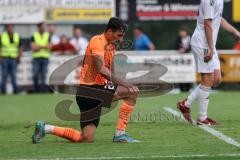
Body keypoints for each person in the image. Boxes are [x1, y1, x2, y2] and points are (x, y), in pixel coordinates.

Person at [32, 17, 140, 143]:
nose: (121, 39)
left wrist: (117, 84)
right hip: (90, 91)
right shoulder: (97, 41)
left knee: (86, 138)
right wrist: (126, 85)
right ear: (110, 31)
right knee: (131, 92)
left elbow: (110, 70)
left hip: (92, 93)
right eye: (119, 35)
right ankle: (120, 134)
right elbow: (101, 69)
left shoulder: (111, 47)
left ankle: (46, 128)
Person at [178, 0, 240, 125]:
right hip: (203, 43)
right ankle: (202, 118)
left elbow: (219, 18)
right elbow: (207, 23)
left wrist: (235, 31)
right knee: (207, 81)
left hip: (210, 44)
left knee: (216, 80)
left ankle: (186, 104)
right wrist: (211, 48)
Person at [0, 24, 22, 94]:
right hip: (4, 58)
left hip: (13, 59)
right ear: (6, 29)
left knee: (14, 75)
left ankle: (15, 91)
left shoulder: (17, 36)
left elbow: (20, 48)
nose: (10, 29)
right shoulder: (2, 36)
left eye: (11, 28)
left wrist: (19, 56)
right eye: (9, 28)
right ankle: (3, 91)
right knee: (4, 75)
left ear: (13, 29)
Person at [30, 22, 52, 93]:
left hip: (45, 58)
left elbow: (50, 46)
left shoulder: (47, 35)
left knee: (43, 75)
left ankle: (42, 90)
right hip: (36, 58)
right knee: (35, 75)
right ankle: (37, 89)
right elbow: (33, 48)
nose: (44, 28)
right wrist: (44, 46)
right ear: (39, 27)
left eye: (44, 26)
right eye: (43, 26)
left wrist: (39, 46)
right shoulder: (34, 35)